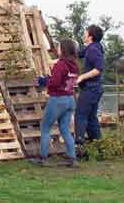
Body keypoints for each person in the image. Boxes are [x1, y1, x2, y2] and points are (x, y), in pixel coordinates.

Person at [33, 39, 79, 167]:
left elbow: (55, 83)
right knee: (65, 129)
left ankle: (43, 157)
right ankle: (72, 158)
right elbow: (67, 81)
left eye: (59, 47)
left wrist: (44, 81)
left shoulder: (61, 64)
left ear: (63, 49)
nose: (57, 48)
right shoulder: (74, 65)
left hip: (58, 99)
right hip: (70, 99)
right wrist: (51, 79)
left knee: (45, 127)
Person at [75, 25, 106, 146]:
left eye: (85, 32)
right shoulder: (91, 48)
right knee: (91, 118)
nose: (84, 34)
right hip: (94, 88)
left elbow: (98, 69)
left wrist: (82, 77)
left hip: (91, 88)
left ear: (90, 36)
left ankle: (79, 144)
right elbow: (78, 53)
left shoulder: (93, 50)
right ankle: (98, 145)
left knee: (81, 114)